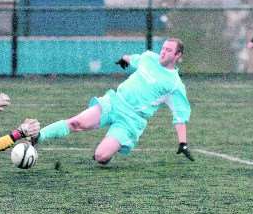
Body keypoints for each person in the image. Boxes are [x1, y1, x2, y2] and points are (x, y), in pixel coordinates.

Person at [32, 38, 193, 164]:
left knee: (100, 156)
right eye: (163, 48)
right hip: (113, 102)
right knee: (76, 123)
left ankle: (108, 152)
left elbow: (180, 115)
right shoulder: (149, 57)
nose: (163, 52)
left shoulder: (174, 84)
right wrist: (124, 59)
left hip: (131, 120)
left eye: (169, 50)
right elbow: (133, 59)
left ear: (178, 56)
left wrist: (182, 143)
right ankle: (38, 136)